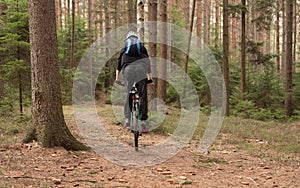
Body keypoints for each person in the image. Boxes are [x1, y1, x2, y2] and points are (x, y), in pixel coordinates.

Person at [115, 31, 152, 133]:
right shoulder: (142, 48)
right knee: (143, 94)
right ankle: (143, 121)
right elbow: (148, 63)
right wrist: (149, 78)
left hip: (128, 71)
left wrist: (117, 78)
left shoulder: (124, 50)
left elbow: (118, 65)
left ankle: (127, 120)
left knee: (128, 93)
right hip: (141, 70)